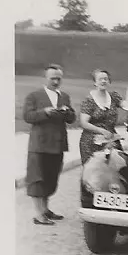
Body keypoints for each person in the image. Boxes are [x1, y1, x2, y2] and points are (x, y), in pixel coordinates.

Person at [23, 64, 76, 225]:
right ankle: (39, 214)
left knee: (51, 178)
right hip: (39, 144)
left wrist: (67, 112)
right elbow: (27, 116)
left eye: (58, 78)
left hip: (57, 144)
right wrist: (44, 112)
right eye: (52, 78)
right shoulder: (34, 96)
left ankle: (45, 210)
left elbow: (72, 119)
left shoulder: (64, 96)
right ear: (45, 78)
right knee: (37, 178)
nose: (55, 81)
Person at [78, 69, 123, 164]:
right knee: (94, 172)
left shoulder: (113, 97)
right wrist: (101, 130)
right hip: (91, 142)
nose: (103, 81)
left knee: (117, 167)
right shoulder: (89, 101)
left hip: (111, 139)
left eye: (106, 79)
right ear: (95, 82)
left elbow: (125, 105)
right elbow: (84, 123)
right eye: (100, 79)